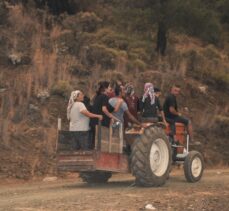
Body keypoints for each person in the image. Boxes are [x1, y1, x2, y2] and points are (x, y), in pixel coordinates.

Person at [90, 81, 122, 148]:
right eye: (109, 87)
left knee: (94, 144)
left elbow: (112, 109)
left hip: (93, 122)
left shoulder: (97, 97)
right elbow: (104, 109)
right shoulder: (104, 97)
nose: (110, 88)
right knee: (101, 144)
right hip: (100, 124)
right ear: (105, 88)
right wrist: (113, 117)